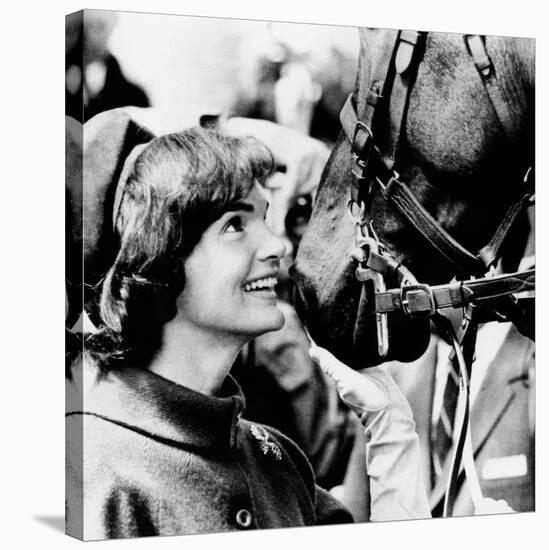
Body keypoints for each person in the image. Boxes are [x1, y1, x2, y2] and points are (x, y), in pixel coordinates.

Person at [65, 110, 430, 540]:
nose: (276, 245)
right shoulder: (85, 473)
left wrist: (391, 435)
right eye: (236, 224)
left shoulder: (279, 464)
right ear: (157, 260)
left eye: (265, 217)